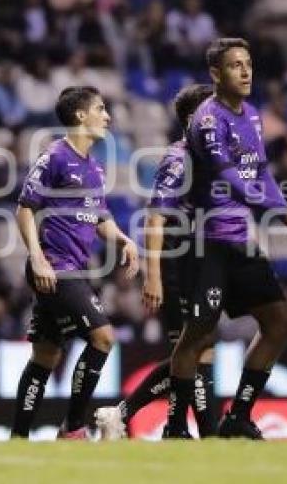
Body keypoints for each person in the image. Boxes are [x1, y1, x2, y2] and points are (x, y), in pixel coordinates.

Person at [163, 38, 287, 439]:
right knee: (198, 336)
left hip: (241, 242)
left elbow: (260, 175)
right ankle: (175, 426)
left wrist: (286, 213)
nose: (245, 71)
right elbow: (229, 178)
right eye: (235, 65)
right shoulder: (207, 120)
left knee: (279, 323)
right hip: (207, 245)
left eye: (249, 63)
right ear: (215, 74)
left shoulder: (252, 116)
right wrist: (279, 212)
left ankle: (238, 414)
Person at [11, 86, 139, 439]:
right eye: (101, 108)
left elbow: (99, 217)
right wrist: (37, 259)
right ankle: (74, 427)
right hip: (55, 267)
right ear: (81, 115)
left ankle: (17, 438)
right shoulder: (54, 156)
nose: (108, 116)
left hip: (73, 269)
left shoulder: (94, 168)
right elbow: (24, 208)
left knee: (45, 356)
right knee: (102, 338)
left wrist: (124, 239)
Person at [94, 83, 217, 440]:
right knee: (191, 350)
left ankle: (179, 429)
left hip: (198, 265)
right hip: (176, 266)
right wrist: (154, 277)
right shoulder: (179, 159)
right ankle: (129, 415)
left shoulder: (205, 159)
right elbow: (155, 217)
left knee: (201, 350)